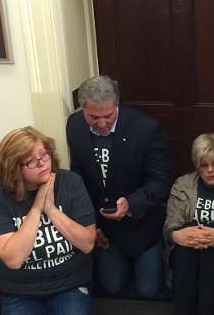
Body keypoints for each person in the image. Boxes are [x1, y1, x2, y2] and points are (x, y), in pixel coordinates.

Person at [66, 75, 174, 298]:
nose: (102, 124)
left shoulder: (146, 129)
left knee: (148, 290)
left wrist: (131, 203)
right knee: (112, 287)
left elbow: (161, 180)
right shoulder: (74, 126)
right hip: (104, 229)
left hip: (141, 225)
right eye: (94, 117)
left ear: (117, 104)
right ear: (82, 109)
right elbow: (78, 180)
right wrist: (90, 226)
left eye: (108, 116)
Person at [0, 126, 96, 315]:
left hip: (69, 284)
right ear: (12, 167)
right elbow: (13, 260)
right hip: (19, 291)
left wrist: (51, 210)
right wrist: (36, 209)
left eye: (45, 155)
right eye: (32, 162)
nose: (43, 163)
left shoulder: (70, 182)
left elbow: (87, 244)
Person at [163, 133, 214, 315]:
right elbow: (169, 225)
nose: (210, 170)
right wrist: (176, 235)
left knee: (213, 252)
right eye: (204, 165)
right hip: (188, 251)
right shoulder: (182, 185)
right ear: (197, 165)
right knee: (184, 251)